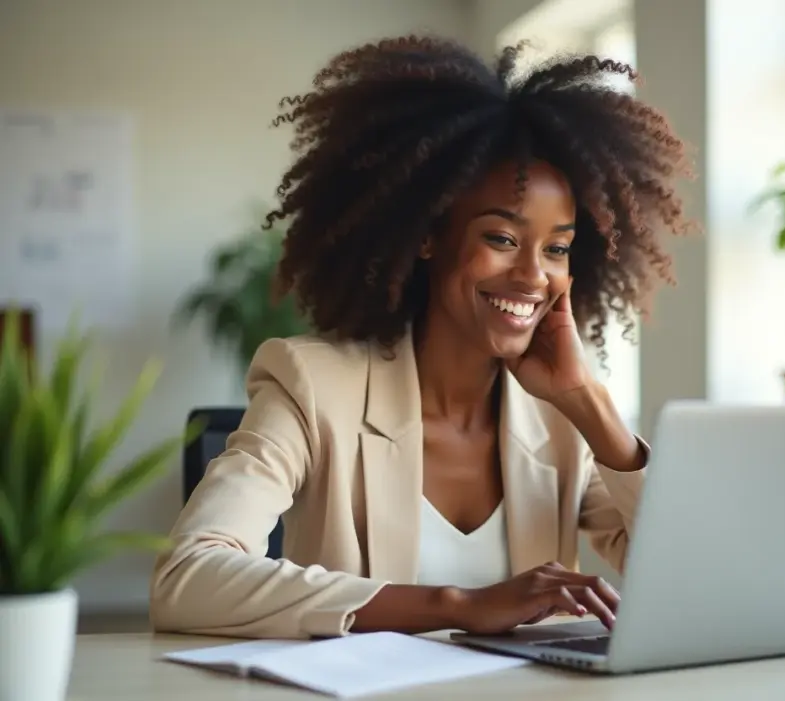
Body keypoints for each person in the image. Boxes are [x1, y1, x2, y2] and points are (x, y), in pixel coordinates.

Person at [149, 34, 692, 641]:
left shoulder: (559, 421)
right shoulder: (312, 387)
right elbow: (187, 577)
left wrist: (588, 404)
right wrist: (456, 606)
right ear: (429, 235)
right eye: (502, 239)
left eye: (557, 249)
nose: (533, 276)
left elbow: (693, 580)